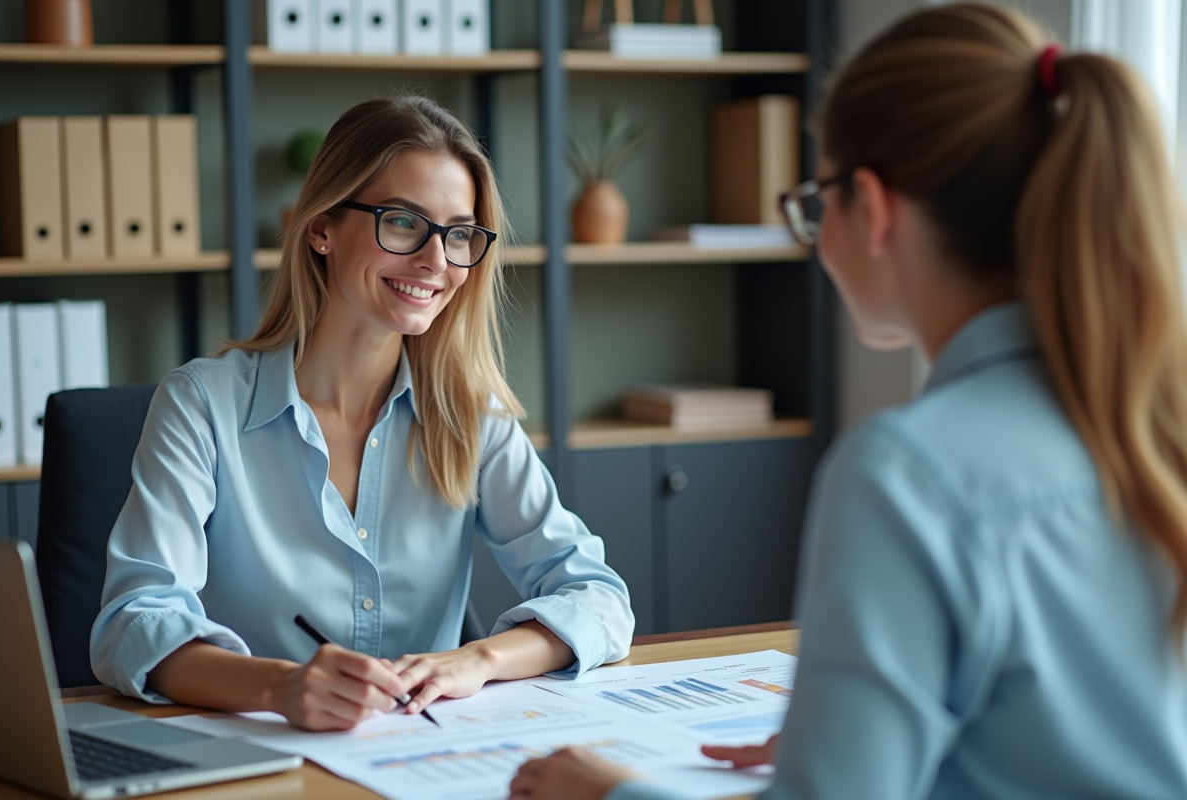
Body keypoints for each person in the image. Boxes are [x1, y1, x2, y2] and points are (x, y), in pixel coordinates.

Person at [509, 3, 1187, 798]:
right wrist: (858, 744)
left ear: (873, 206)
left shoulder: (908, 472)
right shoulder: (1154, 426)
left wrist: (604, 792)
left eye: (814, 199)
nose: (813, 230)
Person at [89, 95, 634, 732]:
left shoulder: (469, 416)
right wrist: (282, 687)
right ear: (320, 226)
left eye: (459, 234)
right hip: (260, 754)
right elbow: (134, 623)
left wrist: (478, 659)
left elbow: (600, 602)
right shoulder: (202, 405)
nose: (436, 261)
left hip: (421, 758)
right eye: (403, 222)